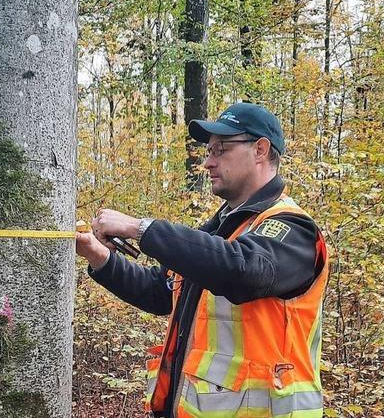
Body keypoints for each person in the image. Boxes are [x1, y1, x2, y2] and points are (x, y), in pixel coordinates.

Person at [76, 102, 328, 418]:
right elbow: (160, 291)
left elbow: (243, 271)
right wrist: (97, 255)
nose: (208, 162)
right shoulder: (221, 231)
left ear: (260, 150)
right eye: (209, 151)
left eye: (220, 150)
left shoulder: (293, 228)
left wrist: (141, 228)